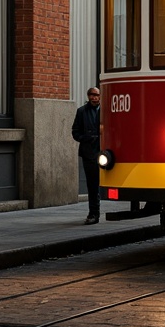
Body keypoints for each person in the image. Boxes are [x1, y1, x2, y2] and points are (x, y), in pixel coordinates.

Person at [72, 86, 102, 224]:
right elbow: (75, 132)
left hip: (105, 151)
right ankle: (93, 213)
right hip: (89, 152)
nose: (94, 97)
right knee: (92, 184)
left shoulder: (106, 110)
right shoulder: (81, 111)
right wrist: (86, 138)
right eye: (91, 95)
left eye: (96, 95)